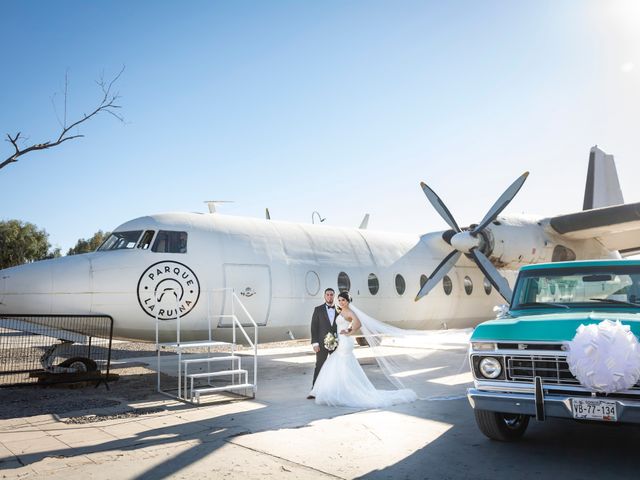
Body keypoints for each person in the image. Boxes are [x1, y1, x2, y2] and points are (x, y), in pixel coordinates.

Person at [309, 291, 418, 408]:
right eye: (339, 300)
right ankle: (337, 389)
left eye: (343, 300)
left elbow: (358, 323)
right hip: (340, 340)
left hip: (345, 342)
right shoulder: (340, 310)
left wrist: (349, 331)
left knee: (340, 364)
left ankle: (344, 391)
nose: (340, 302)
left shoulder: (349, 311)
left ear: (348, 301)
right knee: (338, 364)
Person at [308, 288, 338, 399]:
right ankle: (314, 391)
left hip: (337, 344)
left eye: (331, 295)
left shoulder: (339, 310)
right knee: (319, 366)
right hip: (321, 344)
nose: (329, 296)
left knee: (336, 367)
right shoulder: (318, 310)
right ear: (324, 296)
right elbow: (313, 327)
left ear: (334, 296)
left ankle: (335, 390)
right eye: (328, 295)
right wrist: (314, 343)